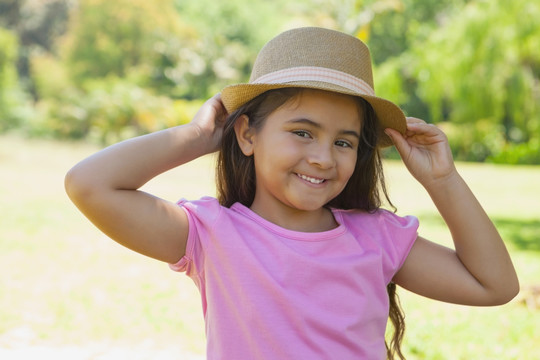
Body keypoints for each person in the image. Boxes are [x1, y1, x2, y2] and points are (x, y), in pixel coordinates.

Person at [65, 27, 519, 359]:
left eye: (344, 141)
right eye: (302, 132)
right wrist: (200, 134)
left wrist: (442, 181)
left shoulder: (376, 237)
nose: (323, 157)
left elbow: (494, 286)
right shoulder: (212, 235)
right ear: (247, 135)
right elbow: (89, 184)